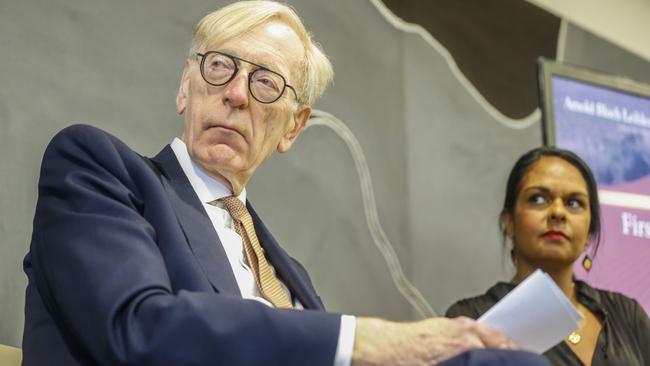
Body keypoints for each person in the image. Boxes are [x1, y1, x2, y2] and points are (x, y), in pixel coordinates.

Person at [22, 1, 549, 365]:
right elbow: (138, 329)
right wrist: (369, 340)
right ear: (186, 87)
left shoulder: (287, 272)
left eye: (266, 83)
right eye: (220, 67)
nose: (236, 94)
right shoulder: (99, 168)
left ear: (293, 127)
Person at [446, 147, 650, 365]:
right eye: (538, 199)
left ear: (590, 232)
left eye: (574, 203)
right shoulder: (470, 320)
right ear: (509, 222)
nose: (558, 212)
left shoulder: (626, 314)